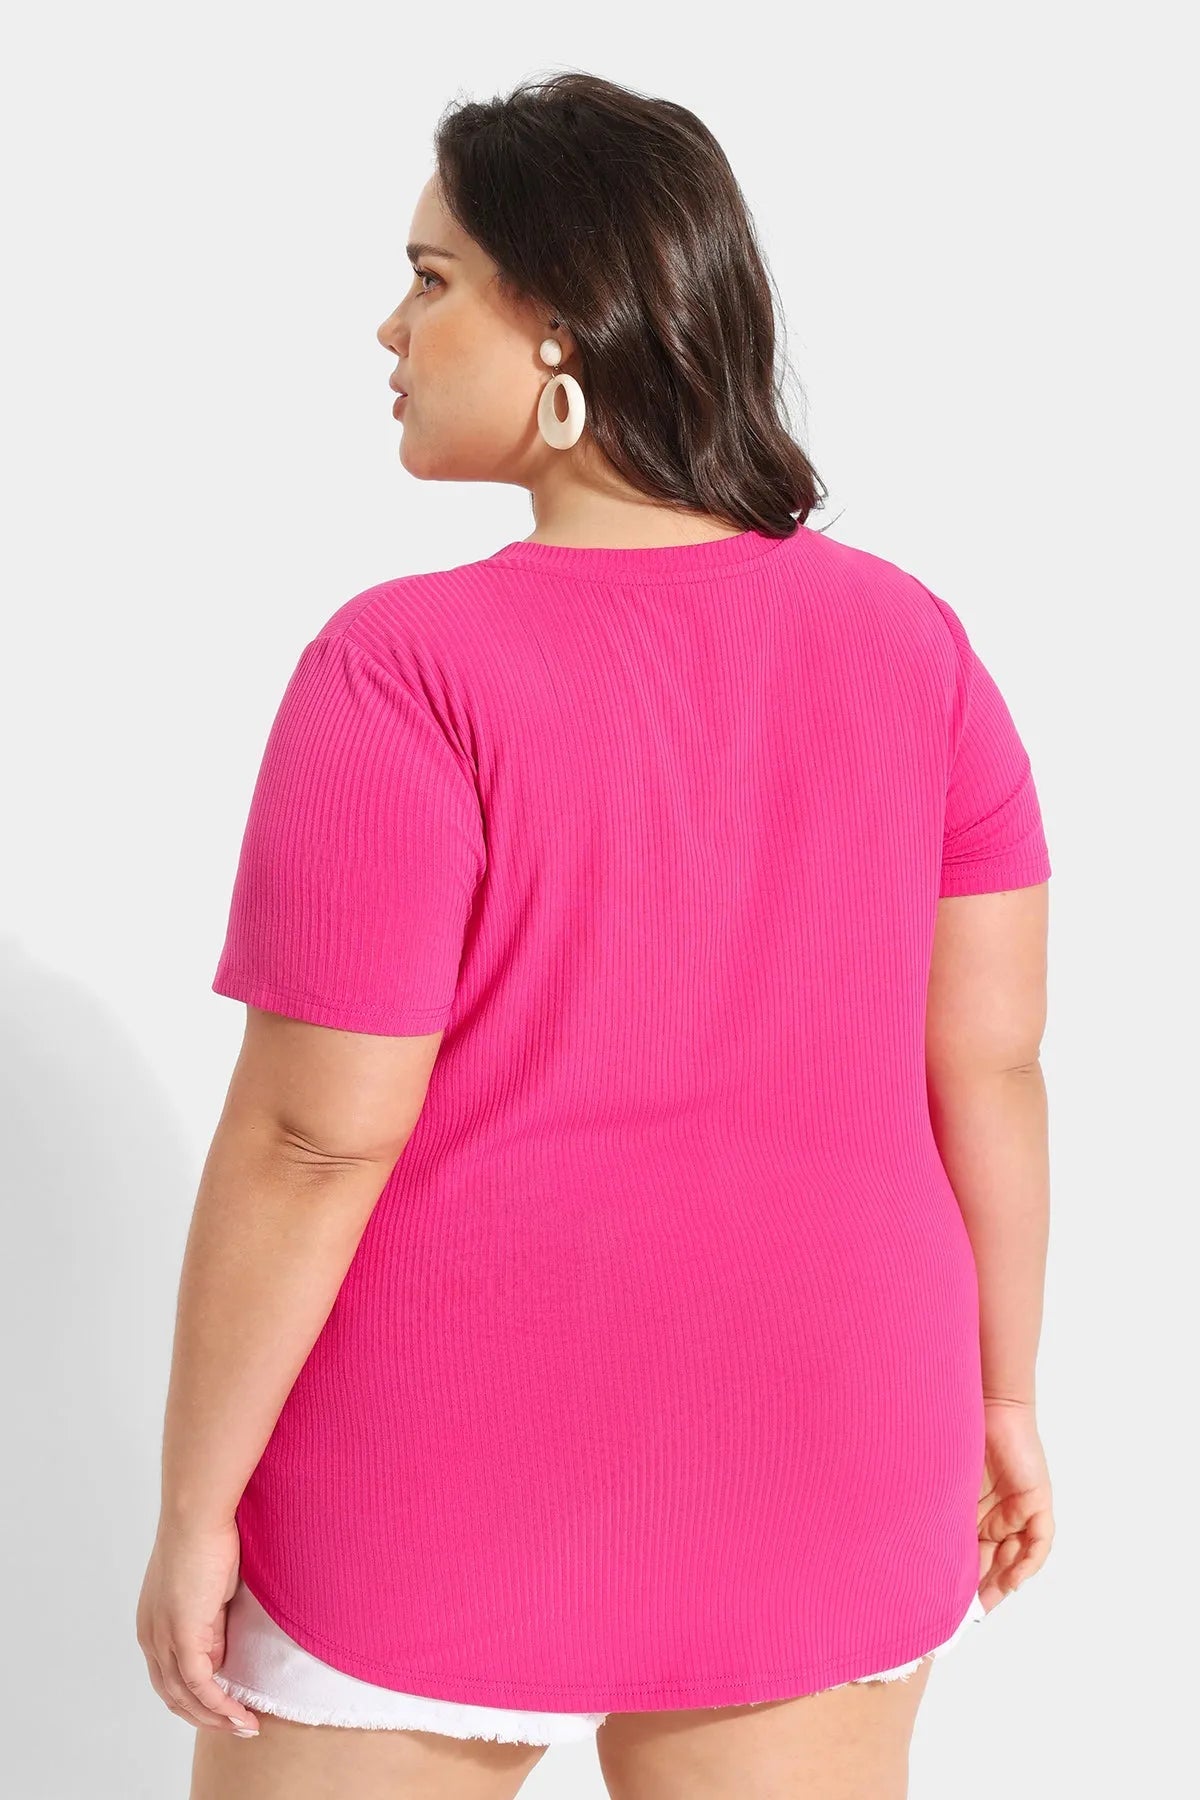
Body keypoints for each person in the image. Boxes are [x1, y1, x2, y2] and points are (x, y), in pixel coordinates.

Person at [137, 70, 1056, 1800]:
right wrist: (1003, 1401)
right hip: (838, 1427)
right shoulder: (914, 645)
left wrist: (197, 1505)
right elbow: (990, 1067)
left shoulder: (401, 670)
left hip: (443, 1449)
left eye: (429, 278)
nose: (389, 329)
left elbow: (316, 1136)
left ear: (561, 316)